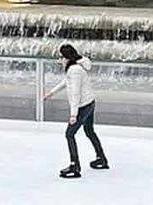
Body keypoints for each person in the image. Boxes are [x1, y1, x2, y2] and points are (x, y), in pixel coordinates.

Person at [43, 43, 108, 179]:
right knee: (89, 131)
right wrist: (51, 93)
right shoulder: (75, 67)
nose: (59, 60)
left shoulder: (74, 70)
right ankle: (101, 158)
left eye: (61, 57)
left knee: (69, 134)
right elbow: (67, 82)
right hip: (90, 103)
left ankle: (75, 166)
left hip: (83, 106)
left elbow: (75, 94)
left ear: (67, 57)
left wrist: (73, 114)